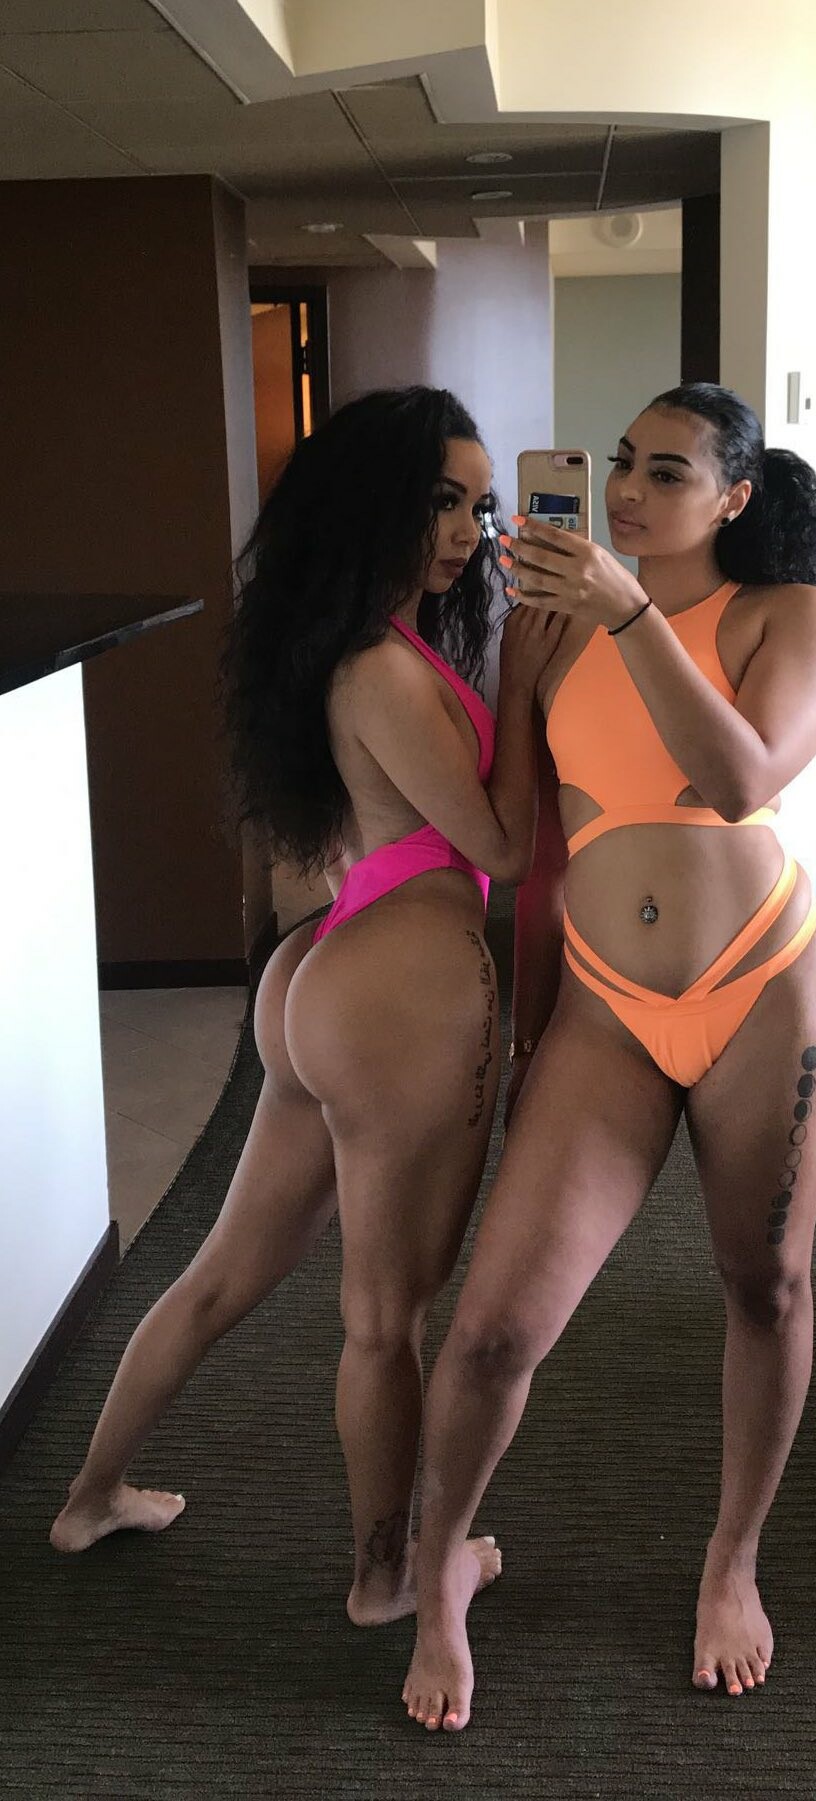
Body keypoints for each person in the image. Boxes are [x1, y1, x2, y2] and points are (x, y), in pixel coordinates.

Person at [50, 386, 562, 1632]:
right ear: (374, 504)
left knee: (223, 1275)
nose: (466, 530)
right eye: (439, 500)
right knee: (386, 1320)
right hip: (395, 992)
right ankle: (385, 1579)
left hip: (335, 975)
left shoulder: (372, 644)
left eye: (479, 504)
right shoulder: (381, 666)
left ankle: (90, 1495)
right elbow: (498, 844)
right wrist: (523, 686)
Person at [402, 382, 816, 1728]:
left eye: (667, 472)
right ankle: (440, 1573)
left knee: (764, 1284)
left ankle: (731, 1558)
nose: (625, 490)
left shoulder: (788, 616)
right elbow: (534, 844)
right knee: (491, 1329)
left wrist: (629, 612)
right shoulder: (544, 628)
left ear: (734, 497)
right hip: (604, 1006)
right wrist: (531, 1015)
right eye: (620, 463)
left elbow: (740, 778)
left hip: (765, 989)